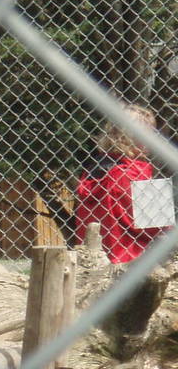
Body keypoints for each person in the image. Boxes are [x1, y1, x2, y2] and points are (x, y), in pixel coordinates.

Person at [75, 105, 168, 264]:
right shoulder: (133, 172)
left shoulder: (92, 170)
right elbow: (159, 228)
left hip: (96, 258)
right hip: (134, 259)